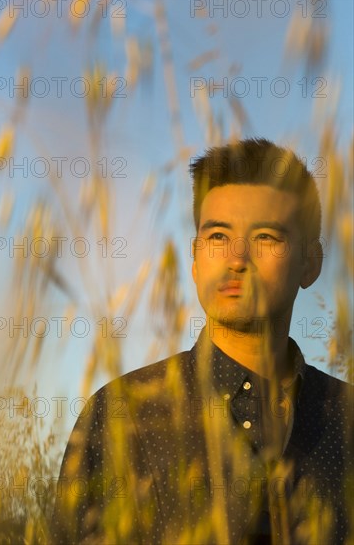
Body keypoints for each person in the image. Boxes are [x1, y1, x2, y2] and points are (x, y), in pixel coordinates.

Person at [51, 138, 352, 544]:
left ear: (310, 263)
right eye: (217, 237)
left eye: (265, 237)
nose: (236, 259)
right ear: (194, 259)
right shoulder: (122, 414)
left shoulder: (345, 419)